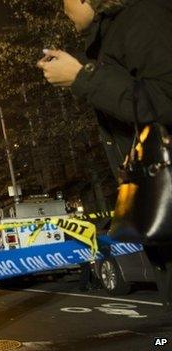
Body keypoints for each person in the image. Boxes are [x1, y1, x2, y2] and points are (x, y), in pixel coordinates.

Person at [37, 0, 172, 304]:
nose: (63, 9)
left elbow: (166, 99)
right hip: (160, 208)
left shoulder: (144, 15)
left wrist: (83, 78)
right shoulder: (110, 34)